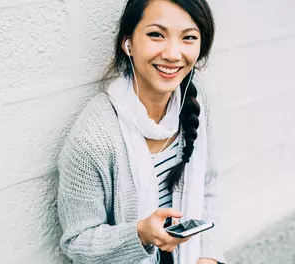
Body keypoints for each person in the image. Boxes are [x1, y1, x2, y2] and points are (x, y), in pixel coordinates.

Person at [57, 0, 226, 263]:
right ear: (128, 44)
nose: (172, 53)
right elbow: (77, 242)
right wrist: (141, 234)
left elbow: (209, 187)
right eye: (156, 35)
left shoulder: (197, 102)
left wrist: (208, 256)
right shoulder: (93, 137)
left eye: (188, 38)